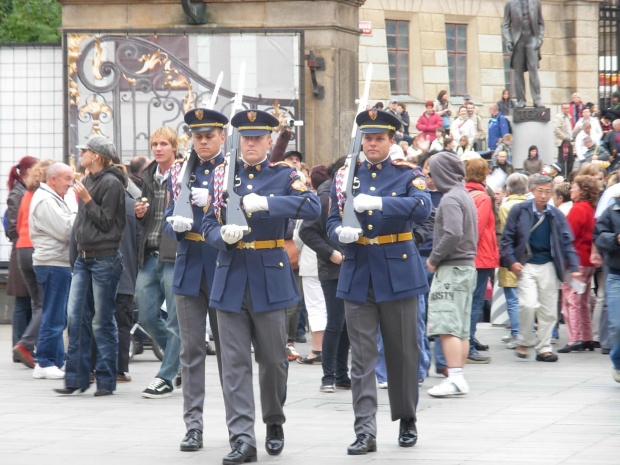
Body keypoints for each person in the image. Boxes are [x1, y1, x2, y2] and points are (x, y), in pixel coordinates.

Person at [201, 109, 320, 464]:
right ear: (237, 140)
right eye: (245, 138)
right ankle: (241, 438)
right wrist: (220, 235)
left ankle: (273, 419)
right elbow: (207, 223)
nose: (251, 143)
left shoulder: (284, 175)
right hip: (230, 275)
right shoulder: (223, 176)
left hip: (270, 274)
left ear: (270, 142)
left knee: (273, 361)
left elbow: (311, 206)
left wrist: (268, 203)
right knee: (233, 364)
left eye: (258, 138)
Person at [326, 109, 431, 454]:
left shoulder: (407, 174)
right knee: (362, 357)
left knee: (402, 351)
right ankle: (365, 429)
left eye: (379, 138)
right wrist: (339, 232)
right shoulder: (346, 176)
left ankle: (406, 418)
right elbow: (330, 220)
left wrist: (381, 203)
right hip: (358, 270)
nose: (372, 143)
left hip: (396, 269)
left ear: (391, 141)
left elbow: (422, 207)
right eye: (367, 138)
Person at [163, 108, 228, 451]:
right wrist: (175, 224)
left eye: (209, 136)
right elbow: (165, 222)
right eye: (197, 136)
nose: (203, 141)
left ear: (221, 136)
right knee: (190, 353)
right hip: (189, 267)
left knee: (230, 354)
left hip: (222, 267)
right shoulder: (180, 171)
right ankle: (193, 425)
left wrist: (209, 206)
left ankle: (238, 424)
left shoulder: (231, 171)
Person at [56, 135, 126, 396]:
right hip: (85, 259)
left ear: (96, 155)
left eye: (84, 151)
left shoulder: (110, 183)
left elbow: (107, 222)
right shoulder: (88, 180)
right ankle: (75, 379)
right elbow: (80, 225)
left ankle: (106, 381)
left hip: (105, 259)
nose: (80, 154)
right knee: (76, 318)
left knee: (101, 321)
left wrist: (86, 199)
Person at [500, 175, 580, 362]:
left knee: (549, 310)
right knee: (528, 304)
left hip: (549, 265)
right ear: (531, 191)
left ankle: (544, 347)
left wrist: (574, 266)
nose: (543, 195)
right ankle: (525, 340)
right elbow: (507, 239)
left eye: (547, 191)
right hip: (526, 264)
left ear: (552, 193)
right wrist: (511, 261)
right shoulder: (519, 211)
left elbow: (567, 241)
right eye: (539, 191)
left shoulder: (555, 214)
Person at [426, 151, 478, 397]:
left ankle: (455, 377)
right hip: (466, 267)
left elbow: (453, 233)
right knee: (460, 328)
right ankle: (459, 376)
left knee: (447, 326)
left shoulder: (449, 199)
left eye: (432, 172)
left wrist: (434, 258)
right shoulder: (464, 195)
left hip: (452, 268)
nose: (430, 176)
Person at [134, 127, 181, 399]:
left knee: (176, 321)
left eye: (164, 144)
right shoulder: (148, 176)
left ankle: (165, 376)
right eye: (155, 144)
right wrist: (140, 213)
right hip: (150, 253)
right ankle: (181, 358)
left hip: (175, 254)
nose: (158, 148)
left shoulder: (185, 173)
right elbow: (147, 215)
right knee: (146, 316)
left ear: (174, 147)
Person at [299, 158, 351, 393]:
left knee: (347, 324)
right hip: (333, 268)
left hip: (350, 266)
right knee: (335, 322)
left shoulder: (344, 191)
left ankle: (341, 374)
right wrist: (331, 253)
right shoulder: (326, 196)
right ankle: (328, 376)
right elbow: (307, 232)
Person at [28, 163, 76, 379]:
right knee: (54, 315)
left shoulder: (50, 198)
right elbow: (66, 230)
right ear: (53, 178)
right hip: (53, 263)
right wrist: (76, 206)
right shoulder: (46, 200)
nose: (71, 184)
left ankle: (56, 360)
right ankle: (44, 361)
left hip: (57, 263)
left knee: (57, 314)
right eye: (67, 179)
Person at [13, 160, 53, 369]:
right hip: (38, 249)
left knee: (37, 303)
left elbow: (19, 224)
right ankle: (26, 343)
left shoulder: (27, 195)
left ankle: (31, 346)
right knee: (45, 304)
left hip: (22, 249)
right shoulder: (46, 196)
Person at [558, 175, 600, 353]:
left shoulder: (578, 209)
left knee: (571, 299)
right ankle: (587, 336)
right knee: (583, 300)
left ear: (582, 190)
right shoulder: (591, 209)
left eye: (574, 187)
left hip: (576, 262)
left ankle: (574, 337)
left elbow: (568, 235)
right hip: (588, 260)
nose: (571, 190)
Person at [464, 158, 499, 364]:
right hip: (480, 256)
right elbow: (477, 228)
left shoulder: (465, 193)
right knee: (475, 301)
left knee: (469, 300)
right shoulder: (483, 198)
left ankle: (469, 337)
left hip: (470, 256)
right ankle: (467, 343)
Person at [6, 156, 38, 362]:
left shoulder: (27, 191)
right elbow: (12, 227)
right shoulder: (18, 194)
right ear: (27, 172)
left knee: (27, 300)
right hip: (22, 250)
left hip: (25, 250)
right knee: (22, 301)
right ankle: (19, 346)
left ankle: (23, 346)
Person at [498, 173, 529, 348]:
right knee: (526, 298)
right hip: (528, 256)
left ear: (508, 189)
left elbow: (505, 233)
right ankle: (520, 332)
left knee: (512, 298)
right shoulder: (530, 205)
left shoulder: (506, 206)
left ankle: (517, 333)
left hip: (511, 255)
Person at [592, 194, 620, 383]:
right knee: (617, 324)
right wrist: (615, 239)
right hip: (616, 275)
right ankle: (617, 362)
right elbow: (598, 237)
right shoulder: (611, 211)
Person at [501, 0, 545, 108]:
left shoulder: (536, 3)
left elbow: (541, 23)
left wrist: (539, 38)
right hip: (518, 41)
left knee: (533, 69)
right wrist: (508, 40)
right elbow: (505, 25)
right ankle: (521, 100)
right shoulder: (510, 3)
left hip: (532, 40)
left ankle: (537, 99)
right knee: (518, 71)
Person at [554, 103, 574, 176]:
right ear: (561, 109)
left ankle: (568, 176)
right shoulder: (559, 117)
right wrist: (564, 137)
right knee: (562, 161)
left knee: (571, 160)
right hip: (563, 141)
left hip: (569, 140)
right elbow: (556, 129)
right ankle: (562, 176)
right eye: (565, 108)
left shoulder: (569, 117)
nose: (566, 110)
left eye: (568, 108)